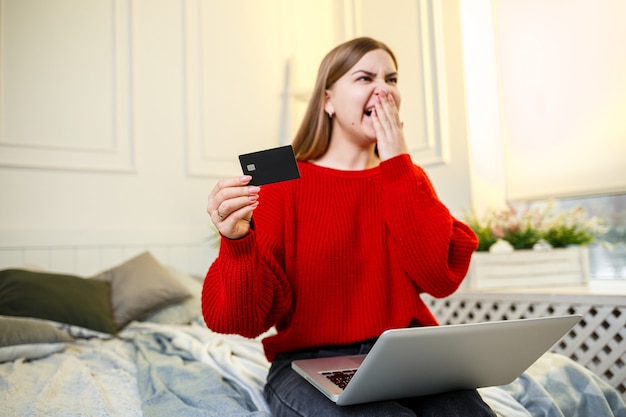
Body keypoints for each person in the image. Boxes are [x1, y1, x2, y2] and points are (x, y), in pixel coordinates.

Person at [203, 37, 494, 416]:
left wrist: (398, 165)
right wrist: (237, 242)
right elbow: (242, 321)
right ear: (327, 100)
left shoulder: (407, 177)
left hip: (406, 355)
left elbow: (440, 278)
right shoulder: (282, 180)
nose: (384, 90)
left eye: (391, 79)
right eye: (365, 78)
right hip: (308, 361)